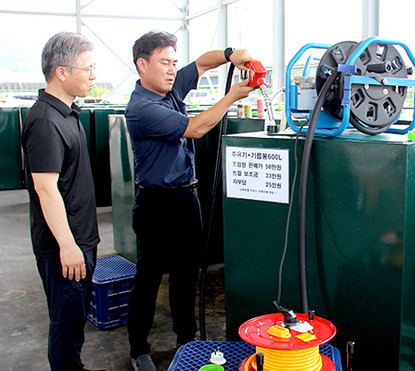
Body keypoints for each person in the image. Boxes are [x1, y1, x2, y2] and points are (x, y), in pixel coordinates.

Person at [125, 31, 254, 371]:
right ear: (142, 64)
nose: (172, 69)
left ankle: (187, 338)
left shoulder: (170, 89)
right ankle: (138, 349)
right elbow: (195, 128)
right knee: (149, 277)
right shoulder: (143, 107)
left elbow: (201, 63)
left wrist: (231, 55)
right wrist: (231, 96)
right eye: (164, 62)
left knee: (187, 274)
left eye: (173, 62)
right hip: (155, 204)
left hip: (186, 198)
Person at [22, 32, 102, 371]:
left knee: (74, 319)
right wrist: (67, 246)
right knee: (65, 327)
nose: (93, 76)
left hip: (80, 239)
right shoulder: (44, 121)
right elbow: (45, 189)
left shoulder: (68, 113)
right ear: (62, 72)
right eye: (88, 68)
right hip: (63, 247)